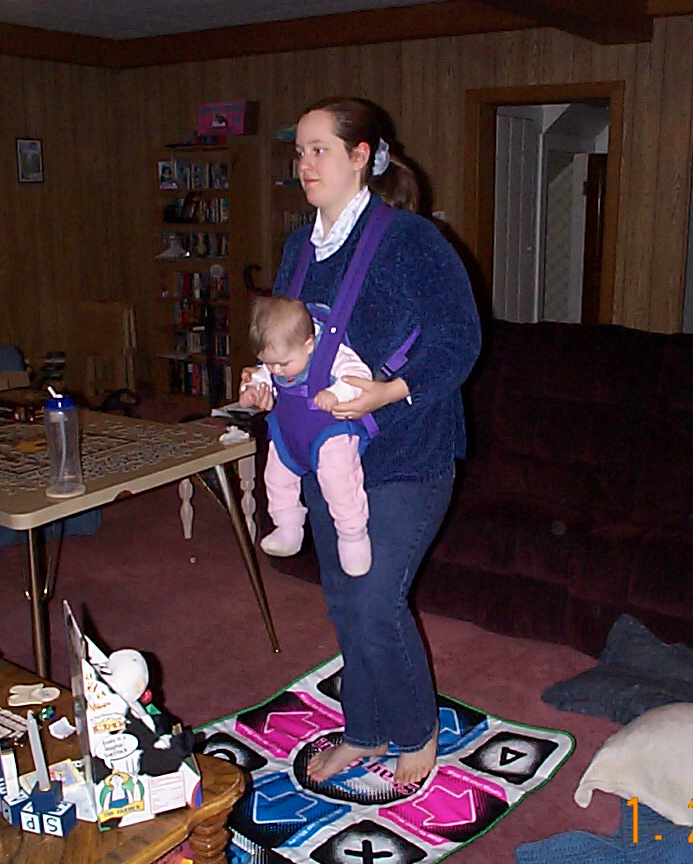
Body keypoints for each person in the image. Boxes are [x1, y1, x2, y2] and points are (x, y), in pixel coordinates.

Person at [240, 96, 481, 786]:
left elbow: (460, 341)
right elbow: (287, 340)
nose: (305, 164)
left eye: (319, 149)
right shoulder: (299, 247)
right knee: (345, 602)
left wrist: (389, 391)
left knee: (376, 600)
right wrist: (265, 379)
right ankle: (364, 730)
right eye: (299, 152)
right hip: (326, 452)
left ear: (360, 156)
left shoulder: (412, 241)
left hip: (409, 453)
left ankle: (415, 730)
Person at [240, 294, 374, 576]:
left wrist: (337, 393)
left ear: (308, 345)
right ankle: (287, 527)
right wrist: (252, 389)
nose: (277, 370)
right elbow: (262, 375)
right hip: (290, 433)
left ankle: (353, 536)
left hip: (330, 433)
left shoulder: (331, 352)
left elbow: (360, 376)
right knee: (275, 476)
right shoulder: (279, 357)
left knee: (339, 482)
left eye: (283, 364)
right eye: (270, 363)